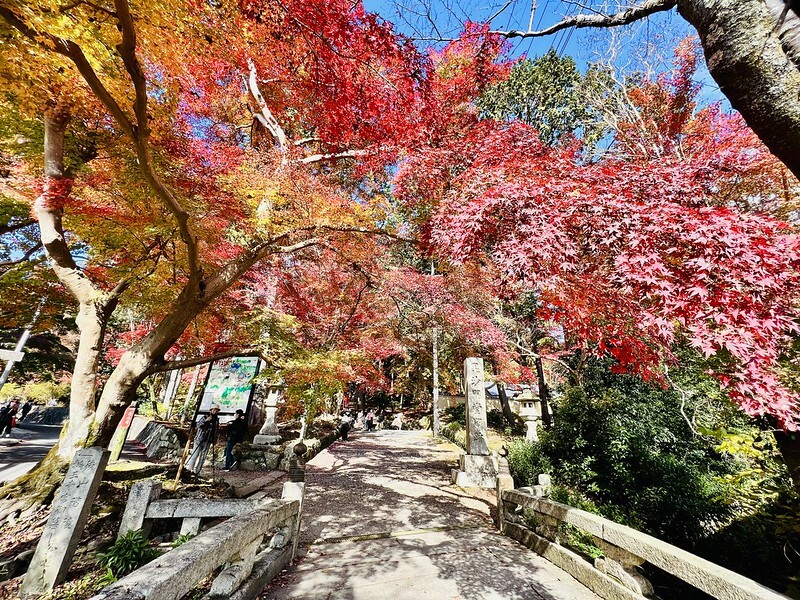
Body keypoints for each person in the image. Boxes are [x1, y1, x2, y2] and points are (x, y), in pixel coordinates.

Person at [186, 404, 220, 475]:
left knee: (203, 457)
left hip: (208, 440)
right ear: (210, 410)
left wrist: (215, 439)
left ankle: (197, 472)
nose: (215, 411)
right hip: (199, 439)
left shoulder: (216, 420)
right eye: (213, 409)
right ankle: (189, 470)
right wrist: (206, 421)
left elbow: (216, 430)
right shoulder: (205, 417)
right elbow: (198, 425)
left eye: (216, 410)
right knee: (195, 455)